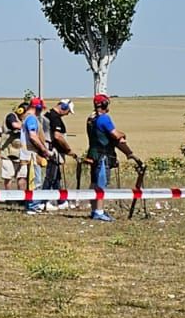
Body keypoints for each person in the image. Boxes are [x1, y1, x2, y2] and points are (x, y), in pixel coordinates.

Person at [86, 93, 142, 222]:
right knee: (101, 183)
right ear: (104, 104)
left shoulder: (91, 119)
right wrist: (123, 135)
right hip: (102, 155)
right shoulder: (104, 119)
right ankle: (99, 212)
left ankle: (95, 210)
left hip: (93, 154)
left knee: (94, 182)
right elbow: (115, 135)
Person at [42, 99, 76, 209]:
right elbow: (57, 136)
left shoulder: (49, 114)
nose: (67, 114)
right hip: (53, 151)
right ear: (64, 107)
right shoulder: (55, 118)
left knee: (56, 177)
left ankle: (61, 201)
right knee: (51, 177)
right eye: (68, 111)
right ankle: (43, 202)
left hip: (51, 150)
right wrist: (68, 149)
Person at [21, 97, 50, 214]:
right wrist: (44, 150)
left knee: (31, 181)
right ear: (37, 107)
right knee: (35, 181)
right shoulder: (32, 119)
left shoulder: (26, 117)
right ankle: (33, 206)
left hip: (28, 153)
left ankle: (31, 204)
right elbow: (33, 136)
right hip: (32, 154)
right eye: (41, 108)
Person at [0, 98, 28, 191]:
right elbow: (15, 125)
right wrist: (28, 126)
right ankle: (9, 197)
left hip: (21, 153)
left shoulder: (25, 120)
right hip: (8, 153)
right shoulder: (11, 116)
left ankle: (21, 198)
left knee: (22, 176)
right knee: (8, 176)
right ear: (21, 111)